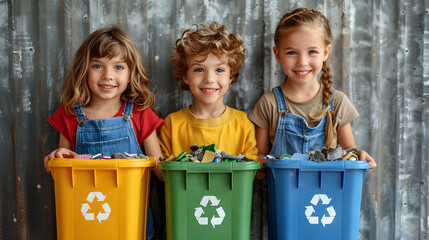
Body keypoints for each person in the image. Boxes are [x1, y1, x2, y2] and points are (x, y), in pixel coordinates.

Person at [43, 26, 163, 239]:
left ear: (130, 73)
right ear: (84, 70)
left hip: (130, 224)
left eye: (118, 67)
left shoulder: (140, 114)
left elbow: (160, 170)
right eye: (97, 66)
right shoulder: (70, 115)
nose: (108, 76)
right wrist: (55, 158)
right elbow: (61, 165)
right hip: (85, 224)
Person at [249, 8, 377, 173]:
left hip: (328, 195)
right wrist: (259, 165)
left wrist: (358, 156)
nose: (302, 62)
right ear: (278, 54)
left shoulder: (337, 102)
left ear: (325, 52)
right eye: (292, 52)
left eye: (312, 52)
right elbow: (259, 156)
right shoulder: (269, 104)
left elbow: (349, 153)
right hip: (285, 196)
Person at [159, 22, 258, 162]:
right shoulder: (172, 124)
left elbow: (250, 170)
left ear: (231, 75)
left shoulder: (243, 123)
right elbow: (164, 174)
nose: (209, 79)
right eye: (199, 70)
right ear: (186, 76)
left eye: (219, 70)